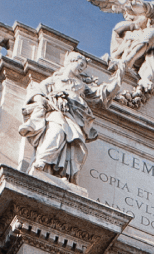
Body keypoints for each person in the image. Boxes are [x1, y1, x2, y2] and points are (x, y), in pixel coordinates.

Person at [20, 51, 106, 183]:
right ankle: (42, 162)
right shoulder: (55, 79)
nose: (81, 69)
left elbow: (101, 95)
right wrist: (49, 100)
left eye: (83, 67)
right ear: (70, 62)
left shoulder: (81, 86)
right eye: (80, 64)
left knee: (72, 141)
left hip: (74, 118)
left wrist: (119, 76)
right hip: (56, 112)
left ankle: (60, 173)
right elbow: (37, 90)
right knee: (57, 132)